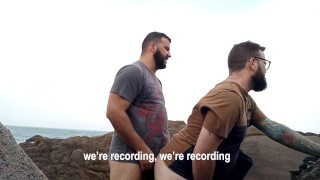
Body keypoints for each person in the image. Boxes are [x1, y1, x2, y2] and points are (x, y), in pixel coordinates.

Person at [154, 41, 320, 180]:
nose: (266, 69)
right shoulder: (229, 97)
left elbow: (275, 130)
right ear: (252, 63)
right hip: (177, 171)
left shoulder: (244, 99)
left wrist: (317, 150)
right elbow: (201, 156)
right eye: (265, 63)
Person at [106, 31, 171, 180]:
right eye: (166, 49)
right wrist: (142, 150)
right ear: (153, 47)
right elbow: (113, 111)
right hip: (128, 159)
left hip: (151, 160)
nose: (169, 54)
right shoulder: (133, 71)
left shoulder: (156, 81)